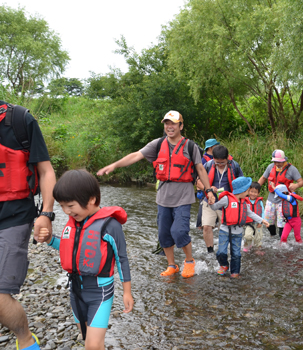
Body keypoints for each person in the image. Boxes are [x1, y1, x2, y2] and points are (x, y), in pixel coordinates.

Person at [97, 110, 215, 278]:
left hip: (183, 196)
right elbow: (136, 155)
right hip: (163, 197)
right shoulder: (158, 144)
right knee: (164, 234)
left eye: (173, 123)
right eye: (167, 123)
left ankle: (189, 261)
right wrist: (114, 165)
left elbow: (200, 169)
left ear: (181, 126)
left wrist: (208, 190)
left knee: (180, 231)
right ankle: (172, 265)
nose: (169, 126)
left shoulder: (191, 146)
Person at [39, 170, 133, 350]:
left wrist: (126, 292)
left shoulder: (110, 225)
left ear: (91, 199)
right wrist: (50, 239)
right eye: (62, 206)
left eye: (70, 205)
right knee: (85, 336)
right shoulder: (74, 222)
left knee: (92, 345)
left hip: (100, 291)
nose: (66, 211)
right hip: (76, 290)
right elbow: (71, 248)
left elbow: (122, 259)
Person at [0, 102, 56, 350]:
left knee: (0, 295)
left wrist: (46, 213)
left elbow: (45, 171)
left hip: (14, 215)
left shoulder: (20, 120)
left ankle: (25, 340)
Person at [209, 177, 269, 278]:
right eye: (247, 190)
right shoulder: (226, 199)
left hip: (237, 231)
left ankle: (235, 272)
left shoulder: (244, 203)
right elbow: (215, 207)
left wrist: (262, 220)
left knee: (236, 254)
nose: (248, 193)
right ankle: (224, 265)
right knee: (221, 252)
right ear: (243, 190)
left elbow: (251, 214)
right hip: (224, 230)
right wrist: (210, 200)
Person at [196, 145, 243, 254]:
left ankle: (225, 251)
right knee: (207, 227)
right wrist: (208, 189)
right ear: (213, 159)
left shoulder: (235, 166)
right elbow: (198, 182)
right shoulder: (207, 165)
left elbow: (242, 184)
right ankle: (210, 252)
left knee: (226, 230)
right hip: (210, 201)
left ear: (227, 158)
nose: (220, 165)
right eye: (217, 162)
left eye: (223, 162)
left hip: (227, 204)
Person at [258, 149, 303, 237]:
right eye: (275, 162)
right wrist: (255, 189)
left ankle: (281, 242)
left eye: (279, 162)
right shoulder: (270, 167)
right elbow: (263, 178)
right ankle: (273, 236)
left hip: (284, 201)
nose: (277, 164)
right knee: (268, 221)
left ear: (284, 160)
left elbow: (301, 182)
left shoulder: (292, 169)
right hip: (271, 199)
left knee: (282, 224)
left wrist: (296, 185)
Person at [243, 182, 265, 254]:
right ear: (248, 191)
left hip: (258, 223)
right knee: (247, 236)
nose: (253, 194)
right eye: (251, 191)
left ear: (258, 193)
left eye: (255, 192)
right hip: (249, 223)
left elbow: (262, 212)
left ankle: (258, 248)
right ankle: (247, 245)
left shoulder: (260, 202)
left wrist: (261, 221)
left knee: (258, 238)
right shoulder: (245, 201)